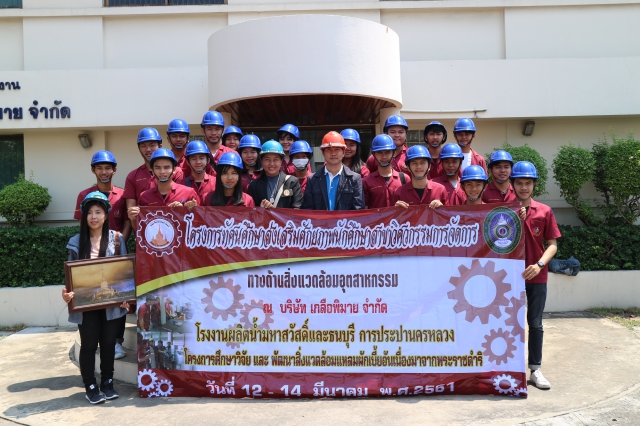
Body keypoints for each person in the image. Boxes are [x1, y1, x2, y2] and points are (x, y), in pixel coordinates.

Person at [62, 192, 129, 404]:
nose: (94, 216)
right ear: (84, 216)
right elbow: (71, 278)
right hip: (86, 304)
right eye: (89, 212)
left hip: (112, 303)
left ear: (106, 215)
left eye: (98, 212)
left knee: (109, 343)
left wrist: (127, 296)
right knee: (89, 344)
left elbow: (124, 273)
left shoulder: (117, 239)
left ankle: (107, 383)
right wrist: (68, 294)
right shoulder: (76, 243)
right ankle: (90, 386)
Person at [73, 151, 130, 360]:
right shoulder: (84, 195)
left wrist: (116, 245)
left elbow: (126, 223)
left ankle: (117, 342)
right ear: (93, 170)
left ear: (114, 169)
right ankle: (95, 339)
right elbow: (81, 225)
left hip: (115, 254)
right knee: (94, 297)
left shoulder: (123, 195)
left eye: (108, 168)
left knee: (118, 296)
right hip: (91, 256)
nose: (104, 172)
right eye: (99, 168)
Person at [511, 161, 561, 390]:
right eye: (519, 183)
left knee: (535, 323)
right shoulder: (503, 210)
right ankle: (509, 367)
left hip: (537, 277)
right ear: (512, 185)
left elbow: (552, 245)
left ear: (534, 185)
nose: (523, 187)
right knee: (509, 324)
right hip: (509, 277)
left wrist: (539, 264)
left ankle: (535, 369)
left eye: (528, 183)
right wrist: (513, 215)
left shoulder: (544, 211)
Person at [123, 127, 184, 213]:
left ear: (160, 146)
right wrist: (133, 215)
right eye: (143, 146)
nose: (148, 149)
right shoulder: (132, 176)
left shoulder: (177, 172)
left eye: (152, 145)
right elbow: (131, 211)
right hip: (145, 224)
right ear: (139, 148)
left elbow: (181, 197)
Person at [127, 149, 198, 222]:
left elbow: (198, 224)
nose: (162, 172)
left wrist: (185, 211)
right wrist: (133, 219)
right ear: (153, 170)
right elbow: (141, 229)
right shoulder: (144, 196)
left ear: (174, 169)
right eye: (157, 168)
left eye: (166, 167)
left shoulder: (189, 193)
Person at [302, 131, 364, 211]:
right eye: (329, 149)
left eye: (337, 149)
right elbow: (308, 210)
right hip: (320, 223)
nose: (333, 153)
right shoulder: (313, 179)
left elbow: (358, 210)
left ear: (344, 152)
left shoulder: (355, 179)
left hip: (345, 223)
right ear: (323, 153)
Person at [247, 140, 303, 209]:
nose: (272, 164)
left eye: (276, 159)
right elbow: (250, 212)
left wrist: (277, 214)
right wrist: (260, 210)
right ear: (261, 161)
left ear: (281, 161)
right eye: (267, 160)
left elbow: (298, 210)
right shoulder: (254, 185)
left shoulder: (292, 182)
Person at [362, 134, 410, 209]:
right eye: (380, 153)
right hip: (376, 220)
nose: (384, 156)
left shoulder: (404, 179)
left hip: (399, 220)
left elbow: (411, 207)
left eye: (387, 152)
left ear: (393, 153)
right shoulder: (366, 182)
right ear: (374, 155)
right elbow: (365, 211)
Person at [178, 140, 216, 205]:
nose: (198, 162)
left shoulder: (216, 182)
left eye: (201, 158)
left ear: (208, 160)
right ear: (187, 162)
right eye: (193, 159)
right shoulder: (181, 184)